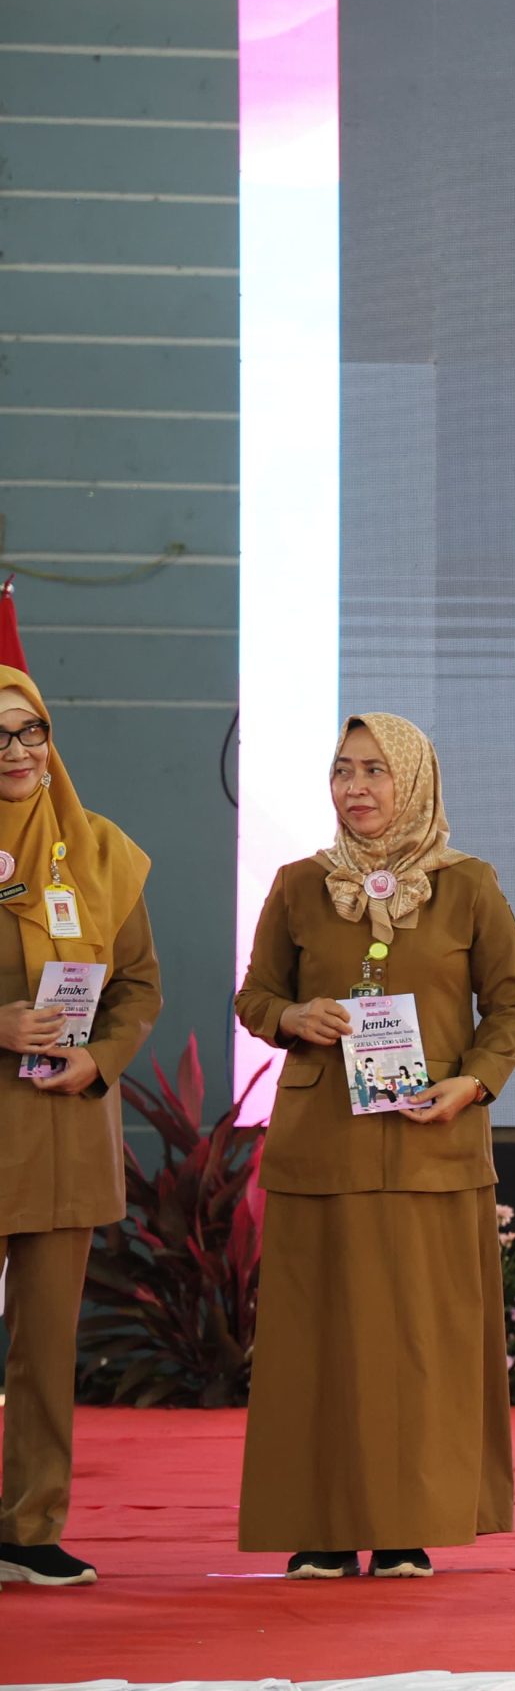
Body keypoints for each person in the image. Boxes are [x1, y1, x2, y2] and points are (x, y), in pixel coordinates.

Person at [234, 714, 515, 1579]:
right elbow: (256, 998)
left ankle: (409, 1525)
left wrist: (471, 1083)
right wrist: (293, 1016)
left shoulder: (468, 885)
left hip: (430, 1149)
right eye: (343, 770)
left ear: (415, 780)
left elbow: (512, 1005)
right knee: (317, 1341)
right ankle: (321, 1527)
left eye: (375, 770)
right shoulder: (300, 885)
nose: (355, 787)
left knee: (418, 1343)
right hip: (321, 1150)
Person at [0, 673, 161, 1588]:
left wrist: (100, 1058)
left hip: (63, 1129)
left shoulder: (99, 851)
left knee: (45, 1348)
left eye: (33, 731)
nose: (19, 751)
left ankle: (29, 1528)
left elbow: (137, 987)